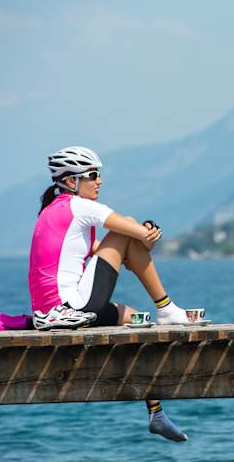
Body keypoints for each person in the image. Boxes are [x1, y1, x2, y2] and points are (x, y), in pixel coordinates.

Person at [28, 146, 189, 442]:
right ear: (71, 181)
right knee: (123, 228)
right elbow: (136, 237)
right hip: (69, 308)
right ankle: (166, 307)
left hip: (56, 312)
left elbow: (126, 250)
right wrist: (147, 230)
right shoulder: (79, 207)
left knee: (135, 319)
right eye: (92, 175)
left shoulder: (59, 211)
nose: (99, 180)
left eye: (99, 174)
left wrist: (140, 235)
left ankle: (156, 413)